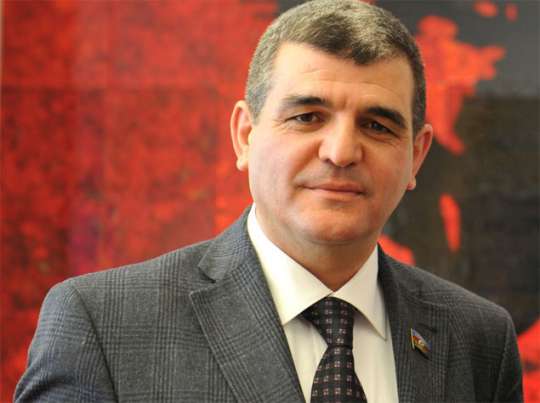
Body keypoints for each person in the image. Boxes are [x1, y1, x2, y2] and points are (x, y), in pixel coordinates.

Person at [15, 1, 523, 402]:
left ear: (416, 156)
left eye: (376, 125)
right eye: (307, 117)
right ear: (245, 135)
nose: (341, 152)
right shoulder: (104, 325)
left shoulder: (479, 339)